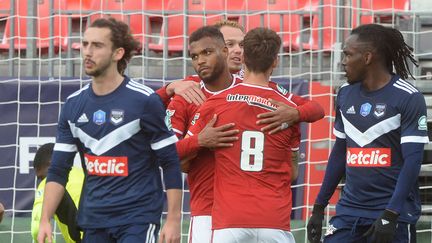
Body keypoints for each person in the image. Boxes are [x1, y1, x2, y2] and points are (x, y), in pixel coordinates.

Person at [37, 18, 182, 243]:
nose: (87, 52)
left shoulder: (145, 101)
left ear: (118, 53)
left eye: (97, 45)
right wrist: (45, 218)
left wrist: (173, 219)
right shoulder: (73, 105)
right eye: (85, 44)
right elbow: (58, 169)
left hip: (137, 219)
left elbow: (170, 161)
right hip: (94, 220)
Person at [307, 23, 429, 243]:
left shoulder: (408, 97)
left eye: (348, 54)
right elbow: (339, 154)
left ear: (367, 57)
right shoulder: (344, 94)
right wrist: (319, 207)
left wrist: (391, 214)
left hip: (391, 214)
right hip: (348, 213)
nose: (343, 61)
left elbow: (413, 161)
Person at [187, 27, 298, 243]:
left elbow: (177, 154)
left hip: (230, 220)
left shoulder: (217, 103)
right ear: (275, 62)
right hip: (274, 220)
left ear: (243, 59)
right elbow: (293, 172)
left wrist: (200, 141)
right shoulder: (290, 110)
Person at [31, 143, 84, 243]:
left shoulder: (49, 184)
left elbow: (37, 228)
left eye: (41, 177)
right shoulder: (84, 175)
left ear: (52, 164)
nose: (42, 181)